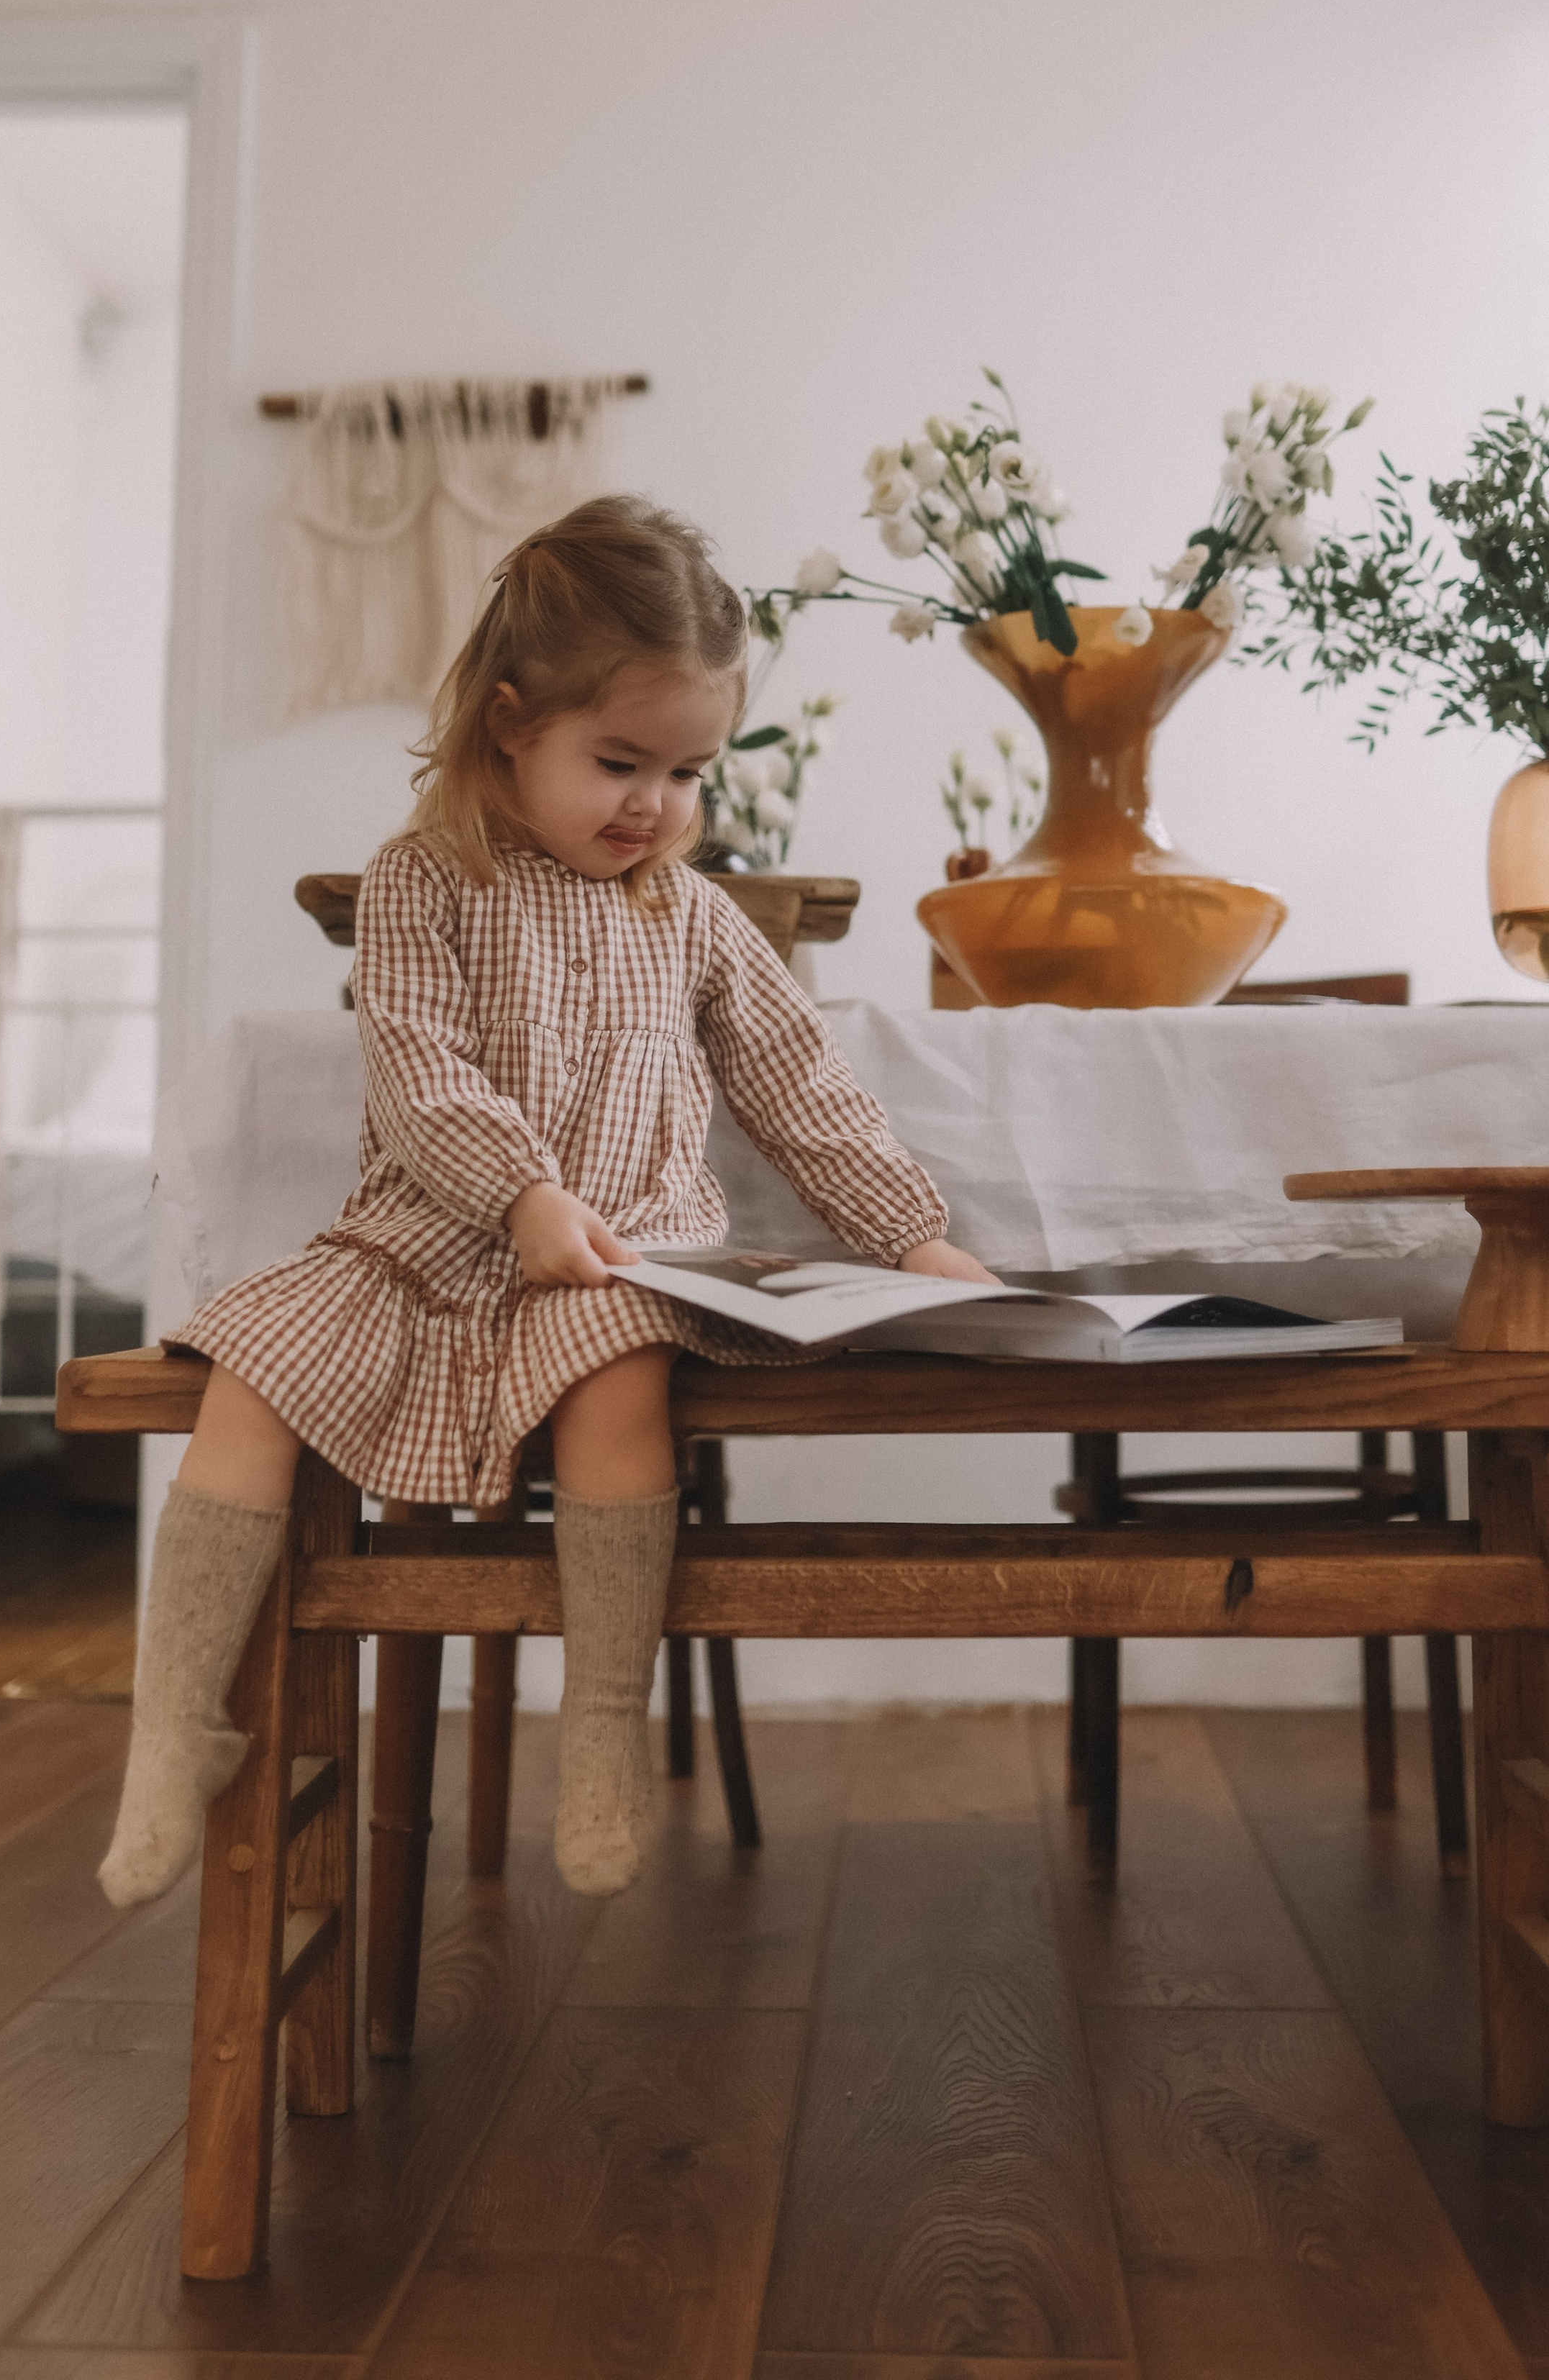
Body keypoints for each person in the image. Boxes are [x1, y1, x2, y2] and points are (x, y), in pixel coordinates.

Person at [99, 494, 994, 1907]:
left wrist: (912, 1234)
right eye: (618, 761)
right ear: (509, 723)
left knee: (618, 1376)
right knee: (248, 1372)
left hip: (621, 1260)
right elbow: (417, 1066)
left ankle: (597, 1731)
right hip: (412, 1248)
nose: (654, 805)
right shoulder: (421, 883)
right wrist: (518, 1192)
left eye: (689, 772)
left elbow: (799, 1088)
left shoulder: (690, 917)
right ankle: (174, 1730)